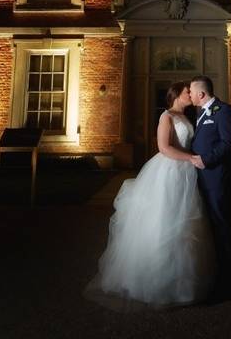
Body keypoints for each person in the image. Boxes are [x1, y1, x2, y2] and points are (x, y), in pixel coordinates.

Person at [84, 81, 215, 310]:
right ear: (177, 95)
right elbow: (164, 148)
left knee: (185, 224)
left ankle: (183, 282)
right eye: (187, 92)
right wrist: (190, 159)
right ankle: (153, 282)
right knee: (165, 220)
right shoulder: (167, 117)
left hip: (185, 172)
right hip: (170, 171)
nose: (190, 95)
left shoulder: (186, 117)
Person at [188, 75, 231, 297]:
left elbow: (229, 142)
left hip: (217, 177)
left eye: (191, 91)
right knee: (209, 222)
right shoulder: (199, 112)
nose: (189, 95)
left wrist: (206, 159)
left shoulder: (224, 110)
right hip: (202, 179)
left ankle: (230, 273)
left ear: (201, 93)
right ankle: (217, 266)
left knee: (221, 221)